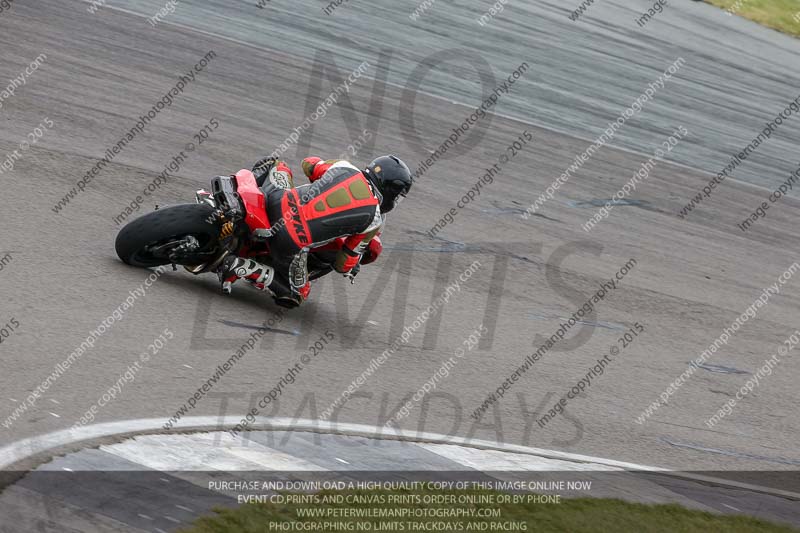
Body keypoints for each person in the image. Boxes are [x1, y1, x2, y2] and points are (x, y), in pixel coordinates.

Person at [218, 155, 413, 308]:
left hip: (277, 201)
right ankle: (240, 265)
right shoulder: (374, 220)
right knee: (297, 294)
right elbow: (343, 263)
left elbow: (308, 164)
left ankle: (238, 197)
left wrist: (323, 175)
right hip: (290, 240)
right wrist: (353, 267)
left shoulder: (345, 167)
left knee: (276, 163)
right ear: (391, 193)